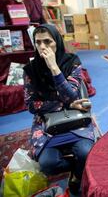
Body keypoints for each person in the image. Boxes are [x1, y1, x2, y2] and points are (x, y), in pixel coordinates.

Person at [23, 24, 95, 194]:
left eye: (47, 42)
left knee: (86, 152)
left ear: (58, 42)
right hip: (46, 124)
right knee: (47, 163)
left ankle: (77, 175)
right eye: (38, 42)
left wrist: (55, 68)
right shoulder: (30, 70)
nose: (42, 47)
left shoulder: (72, 62)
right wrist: (65, 103)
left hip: (75, 119)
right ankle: (75, 167)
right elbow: (32, 105)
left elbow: (71, 95)